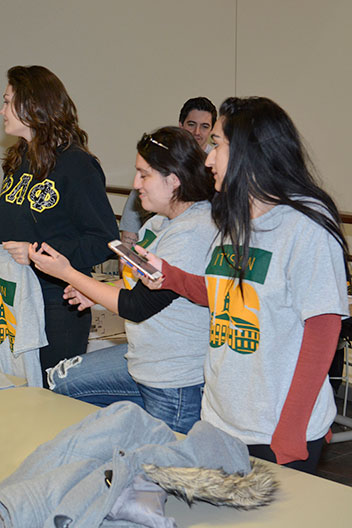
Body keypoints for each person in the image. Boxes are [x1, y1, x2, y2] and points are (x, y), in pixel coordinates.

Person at [139, 97, 348, 473]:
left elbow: (323, 328)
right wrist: (169, 276)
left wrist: (291, 429)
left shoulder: (306, 228)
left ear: (249, 152)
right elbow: (223, 291)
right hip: (221, 419)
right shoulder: (234, 216)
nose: (208, 158)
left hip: (277, 430)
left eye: (217, 143)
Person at [28, 127, 215, 433]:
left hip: (173, 377)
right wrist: (97, 291)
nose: (135, 184)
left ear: (174, 179)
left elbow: (138, 305)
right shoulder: (158, 222)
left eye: (144, 175)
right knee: (62, 380)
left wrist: (67, 272)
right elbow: (138, 284)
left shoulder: (193, 231)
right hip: (144, 359)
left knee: (168, 472)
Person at [0, 65, 117, 385]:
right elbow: (32, 229)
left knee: (51, 401)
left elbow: (104, 239)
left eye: (7, 101)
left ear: (34, 106)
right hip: (14, 302)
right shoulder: (17, 159)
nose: (1, 110)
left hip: (57, 306)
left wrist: (35, 252)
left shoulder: (76, 164)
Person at [120, 97, 217, 245]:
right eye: (191, 124)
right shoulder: (157, 222)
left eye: (204, 126)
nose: (197, 132)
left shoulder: (216, 168)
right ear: (181, 125)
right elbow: (132, 218)